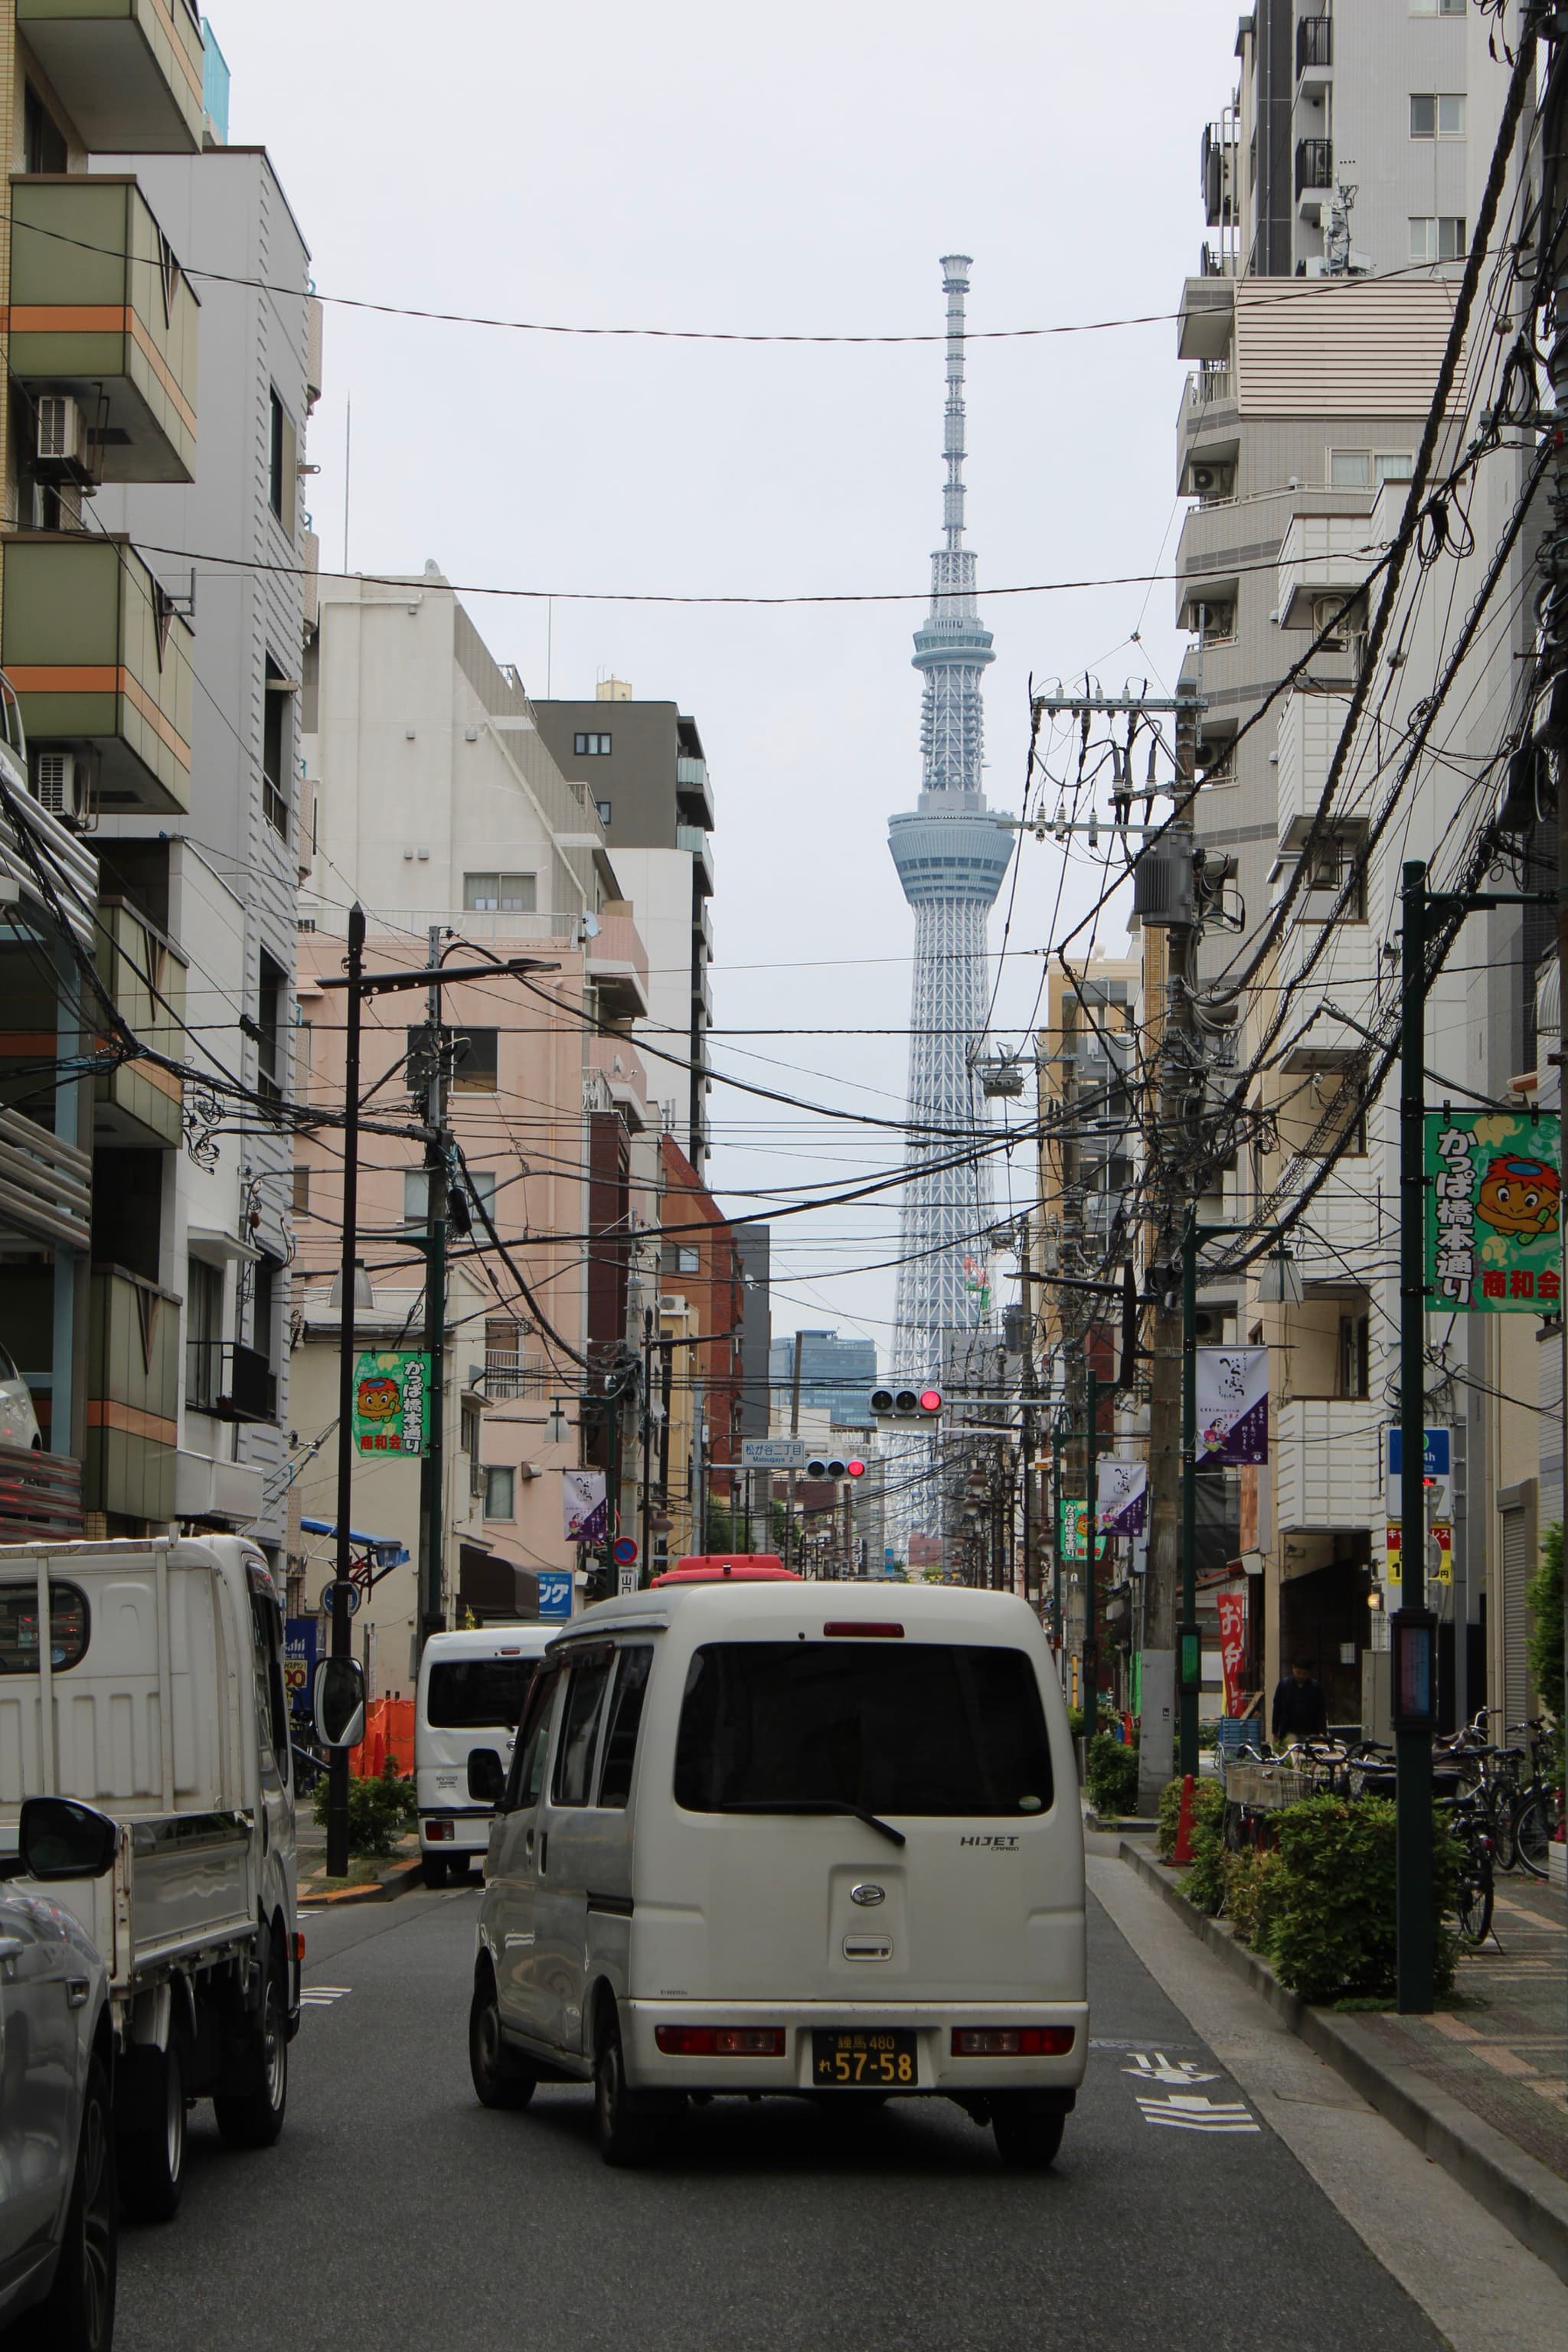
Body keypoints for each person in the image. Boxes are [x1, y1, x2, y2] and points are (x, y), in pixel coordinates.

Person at [1271, 1655, 1327, 1745]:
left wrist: (1322, 1732)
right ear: (1293, 1669)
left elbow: (1321, 1711)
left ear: (1309, 1673)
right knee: (1292, 1749)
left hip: (1311, 1731)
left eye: (1304, 1674)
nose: (1301, 1676)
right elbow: (1277, 1709)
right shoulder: (1284, 1685)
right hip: (1289, 1731)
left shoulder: (1315, 1687)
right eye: (1298, 1672)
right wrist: (1275, 1732)